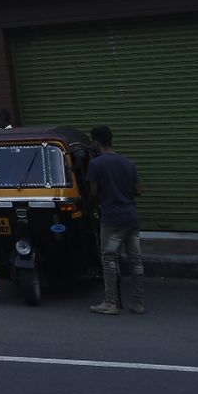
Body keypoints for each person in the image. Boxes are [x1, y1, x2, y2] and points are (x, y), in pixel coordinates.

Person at [85, 126, 144, 315]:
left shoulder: (96, 164)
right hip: (131, 218)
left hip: (112, 218)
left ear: (96, 142)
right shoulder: (129, 163)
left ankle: (111, 303)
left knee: (110, 259)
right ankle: (138, 303)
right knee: (136, 261)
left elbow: (93, 193)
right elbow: (138, 191)